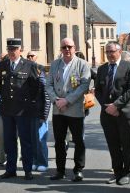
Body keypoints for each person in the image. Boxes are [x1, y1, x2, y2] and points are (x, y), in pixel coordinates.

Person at [0, 39, 45, 180]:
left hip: (23, 111)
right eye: (9, 49)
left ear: (20, 50)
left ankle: (27, 170)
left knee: (25, 141)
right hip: (7, 110)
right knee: (9, 141)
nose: (12, 52)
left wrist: (30, 104)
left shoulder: (29, 65)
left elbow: (36, 87)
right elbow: (0, 85)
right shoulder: (2, 65)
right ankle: (11, 169)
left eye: (14, 49)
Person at [46, 38, 92, 182]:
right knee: (59, 141)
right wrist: (56, 100)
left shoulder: (83, 64)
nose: (67, 49)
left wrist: (67, 100)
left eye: (69, 47)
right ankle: (60, 170)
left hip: (75, 110)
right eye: (64, 47)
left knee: (78, 141)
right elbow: (49, 85)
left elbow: (84, 86)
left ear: (75, 47)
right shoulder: (55, 64)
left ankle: (78, 170)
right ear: (60, 49)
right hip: (58, 109)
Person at [94, 42, 130, 186]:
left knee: (126, 144)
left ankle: (127, 172)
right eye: (107, 52)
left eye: (112, 51)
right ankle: (117, 171)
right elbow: (98, 90)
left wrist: (116, 105)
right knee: (113, 145)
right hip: (107, 114)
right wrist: (107, 107)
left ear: (119, 51)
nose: (109, 54)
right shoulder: (102, 69)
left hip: (125, 113)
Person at [27, 51, 51, 172]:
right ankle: (35, 161)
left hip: (40, 113)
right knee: (32, 139)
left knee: (41, 139)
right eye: (28, 56)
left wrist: (44, 115)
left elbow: (47, 99)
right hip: (30, 113)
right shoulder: (29, 77)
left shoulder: (42, 79)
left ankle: (43, 162)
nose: (30, 58)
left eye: (32, 56)